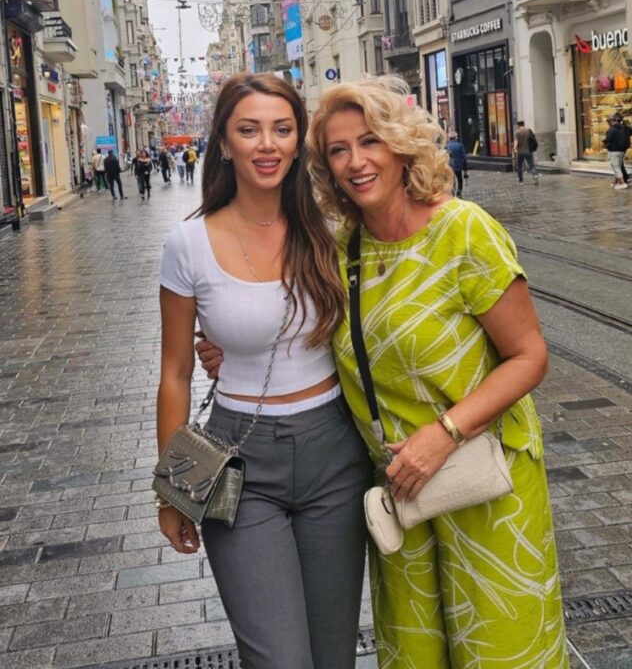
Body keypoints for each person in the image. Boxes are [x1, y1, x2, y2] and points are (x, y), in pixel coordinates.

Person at [198, 76, 569, 668]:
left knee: (500, 649)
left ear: (401, 145)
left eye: (369, 141)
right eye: (338, 150)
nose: (356, 162)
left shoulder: (463, 230)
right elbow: (308, 336)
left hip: (485, 478)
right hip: (401, 490)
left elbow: (530, 356)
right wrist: (231, 351)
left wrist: (443, 433)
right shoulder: (339, 248)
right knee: (415, 654)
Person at [156, 73, 371, 669]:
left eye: (282, 129)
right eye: (249, 130)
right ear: (224, 142)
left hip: (336, 454)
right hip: (240, 462)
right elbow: (174, 373)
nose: (267, 144)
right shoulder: (188, 243)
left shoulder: (332, 228)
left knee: (332, 655)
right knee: (279, 658)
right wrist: (171, 494)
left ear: (299, 140)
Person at [513, 120, 539, 185]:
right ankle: (535, 175)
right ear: (523, 124)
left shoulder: (517, 132)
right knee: (531, 165)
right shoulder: (528, 131)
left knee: (520, 166)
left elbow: (516, 142)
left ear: (518, 125)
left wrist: (515, 148)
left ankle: (521, 181)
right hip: (528, 151)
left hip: (520, 152)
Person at [445, 131, 468, 197]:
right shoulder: (460, 145)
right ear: (456, 138)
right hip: (458, 166)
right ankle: (459, 193)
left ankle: (452, 192)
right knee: (459, 179)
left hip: (449, 166)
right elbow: (464, 157)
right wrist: (465, 169)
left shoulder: (446, 146)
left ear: (449, 138)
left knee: (451, 180)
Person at [611, 113, 631, 186]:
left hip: (618, 148)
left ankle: (623, 179)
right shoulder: (625, 127)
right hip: (624, 146)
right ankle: (624, 178)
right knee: (620, 163)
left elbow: (610, 137)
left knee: (618, 164)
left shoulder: (616, 127)